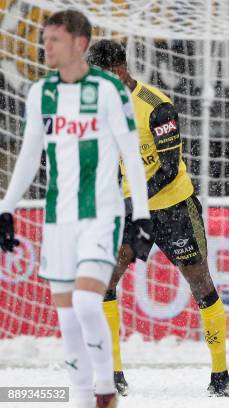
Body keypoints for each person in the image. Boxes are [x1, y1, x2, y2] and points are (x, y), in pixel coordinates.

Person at [0, 9, 152, 408]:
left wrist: (141, 216)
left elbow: (131, 155)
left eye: (54, 39)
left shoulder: (108, 90)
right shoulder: (41, 94)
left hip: (101, 213)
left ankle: (105, 388)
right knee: (67, 317)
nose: (44, 45)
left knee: (87, 303)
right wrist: (7, 208)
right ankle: (83, 399)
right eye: (44, 38)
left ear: (79, 44)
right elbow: (30, 156)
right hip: (58, 219)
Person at [87, 39, 229, 397]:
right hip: (131, 208)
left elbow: (169, 169)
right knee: (106, 280)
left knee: (201, 285)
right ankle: (113, 373)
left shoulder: (157, 107)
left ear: (118, 70)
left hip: (174, 208)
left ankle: (220, 375)